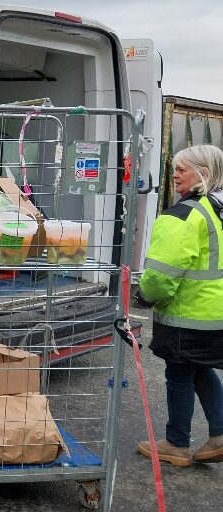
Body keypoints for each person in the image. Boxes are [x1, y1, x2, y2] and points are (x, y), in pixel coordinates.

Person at [136, 144, 223, 467]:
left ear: (203, 173)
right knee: (200, 368)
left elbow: (160, 276)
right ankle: (219, 434)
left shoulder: (183, 214)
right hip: (215, 315)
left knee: (179, 373)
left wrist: (145, 295)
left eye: (182, 169)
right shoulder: (216, 209)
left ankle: (176, 443)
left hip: (187, 314)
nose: (174, 175)